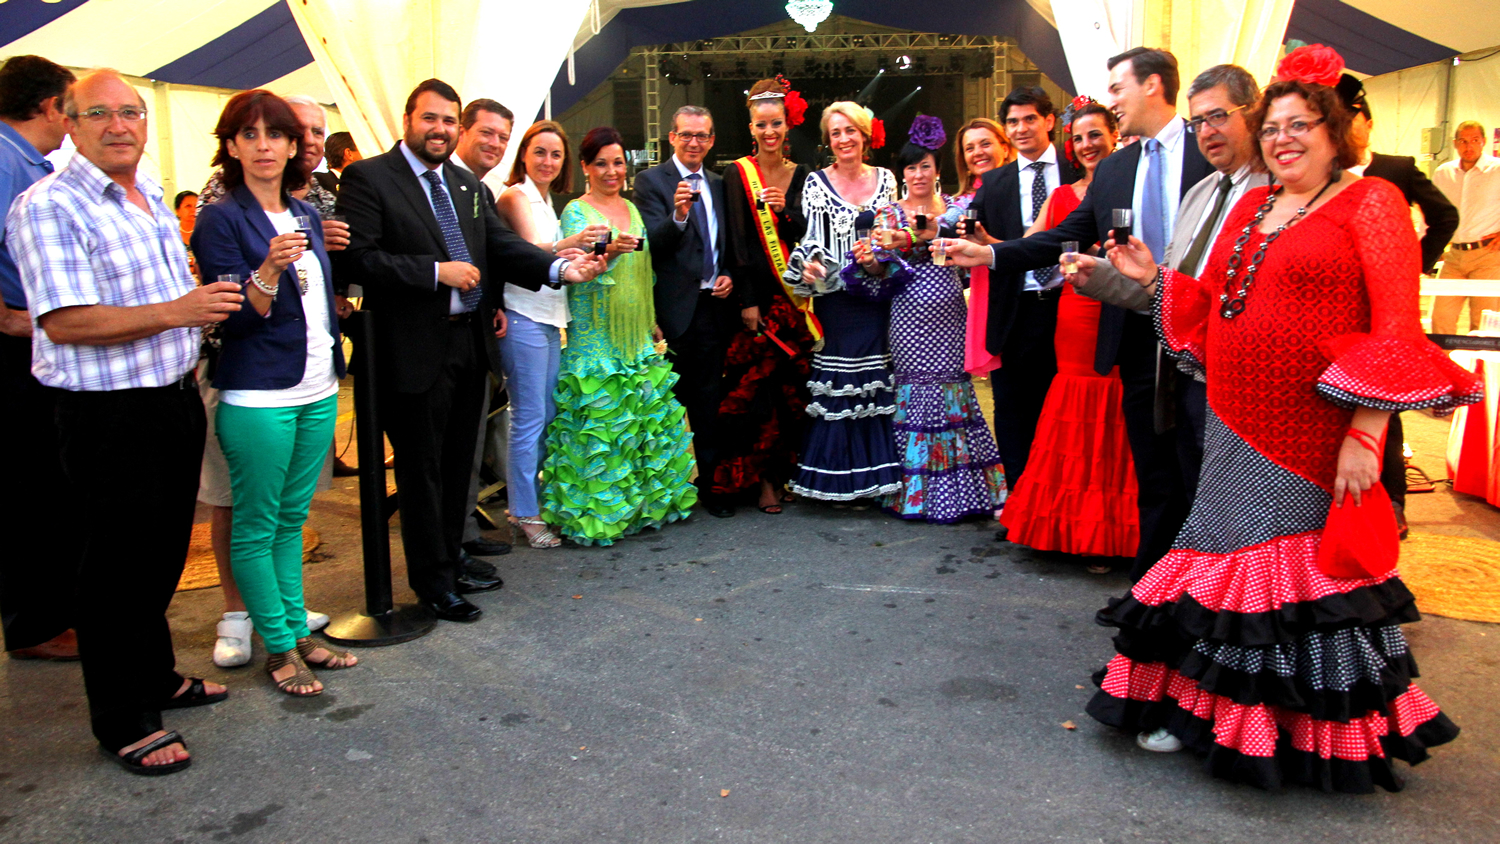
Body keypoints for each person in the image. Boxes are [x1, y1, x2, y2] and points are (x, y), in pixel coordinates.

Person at [1085, 60, 1479, 792]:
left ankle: (1299, 733)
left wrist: (1366, 434)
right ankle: (1208, 714)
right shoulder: (1250, 203)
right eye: (1272, 128)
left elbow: (1395, 329)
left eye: (1300, 125)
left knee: (1291, 584)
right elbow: (1212, 305)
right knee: (1218, 568)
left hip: (1309, 431)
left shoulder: (1372, 203)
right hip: (1232, 416)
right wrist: (1153, 279)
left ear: (1335, 133)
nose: (1283, 138)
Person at [9, 69, 242, 774]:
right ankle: (122, 717)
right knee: (115, 566)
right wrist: (181, 311)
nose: (119, 125)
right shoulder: (47, 205)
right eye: (100, 113)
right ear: (69, 121)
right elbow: (66, 321)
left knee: (162, 554)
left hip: (170, 396)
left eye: (131, 113)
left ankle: (156, 676)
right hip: (108, 411)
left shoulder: (143, 198)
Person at [335, 79, 603, 623]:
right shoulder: (369, 179)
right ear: (408, 119)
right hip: (411, 352)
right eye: (429, 118)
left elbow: (501, 251)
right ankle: (432, 583)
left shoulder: (467, 186)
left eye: (448, 120)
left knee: (460, 467)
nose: (439, 129)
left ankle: (452, 561)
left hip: (470, 345)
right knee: (423, 470)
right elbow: (357, 260)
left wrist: (558, 269)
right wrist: (436, 274)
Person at [945, 48, 1215, 582]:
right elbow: (1060, 237)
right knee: (1153, 469)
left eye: (1118, 88)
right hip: (1135, 332)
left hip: (1204, 333)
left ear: (1155, 85)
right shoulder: (1117, 168)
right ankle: (1151, 591)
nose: (1111, 101)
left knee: (1200, 465)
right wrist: (995, 253)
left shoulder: (1209, 155)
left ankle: (1202, 587)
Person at [191, 90, 358, 697]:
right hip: (257, 394)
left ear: (294, 146)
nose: (265, 146)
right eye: (250, 135)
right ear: (232, 146)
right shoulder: (221, 218)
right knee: (257, 526)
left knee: (292, 520)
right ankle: (281, 650)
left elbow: (320, 300)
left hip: (317, 385)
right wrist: (266, 271)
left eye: (276, 135)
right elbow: (231, 316)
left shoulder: (306, 213)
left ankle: (296, 631)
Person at [1068, 65, 1270, 522]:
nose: (1207, 132)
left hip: (1244, 385)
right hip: (1183, 376)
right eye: (1199, 122)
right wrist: (1108, 275)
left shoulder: (1277, 193)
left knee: (1230, 508)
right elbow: (1173, 291)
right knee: (1177, 488)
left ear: (1253, 115)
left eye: (1218, 116)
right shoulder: (1202, 193)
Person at [542, 127, 698, 544]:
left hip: (635, 335)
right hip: (596, 335)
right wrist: (608, 253)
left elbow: (645, 271)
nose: (611, 171)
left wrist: (650, 321)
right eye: (601, 164)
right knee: (602, 428)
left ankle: (642, 508)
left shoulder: (631, 208)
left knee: (642, 423)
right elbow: (577, 276)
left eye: (617, 162)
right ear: (585, 168)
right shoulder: (576, 213)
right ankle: (598, 515)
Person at [998, 98, 1135, 565]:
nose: (1087, 145)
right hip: (1073, 314)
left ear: (1114, 136)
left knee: (1113, 412)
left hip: (1120, 307)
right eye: (1078, 138)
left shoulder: (1131, 186)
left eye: (1096, 134)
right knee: (1071, 408)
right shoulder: (1061, 197)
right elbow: (1033, 245)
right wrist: (985, 251)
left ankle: (1111, 531)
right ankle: (1065, 528)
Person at [862, 115, 1008, 522]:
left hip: (949, 313)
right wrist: (873, 260)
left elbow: (972, 251)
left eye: (925, 165)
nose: (918, 173)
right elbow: (876, 270)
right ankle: (914, 494)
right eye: (911, 167)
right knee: (914, 392)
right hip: (907, 316)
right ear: (902, 173)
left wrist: (936, 234)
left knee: (954, 393)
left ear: (937, 170)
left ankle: (964, 494)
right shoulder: (888, 213)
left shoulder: (958, 208)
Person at [1337, 73, 1459, 538]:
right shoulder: (1320, 175)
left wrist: (1413, 266)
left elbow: (1445, 216)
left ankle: (1393, 501)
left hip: (1384, 309)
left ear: (1367, 123)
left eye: (1353, 121)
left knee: (1383, 403)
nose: (1346, 130)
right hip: (1340, 308)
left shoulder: (1396, 167)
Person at [962, 87, 1080, 502]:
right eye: (1013, 122)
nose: (1021, 128)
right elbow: (979, 241)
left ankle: (1063, 506)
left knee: (1067, 414)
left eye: (1029, 119)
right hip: (1014, 310)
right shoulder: (993, 184)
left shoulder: (1078, 167)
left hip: (1070, 307)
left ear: (1050, 121)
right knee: (1013, 412)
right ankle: (1020, 505)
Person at [0, 55, 78, 662]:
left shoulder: (24, 162)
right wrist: (3, 317)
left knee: (44, 482)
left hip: (32, 340)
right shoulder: (5, 161)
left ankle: (47, 613)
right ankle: (37, 623)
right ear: (51, 106)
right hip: (15, 346)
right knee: (31, 485)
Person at [496, 120, 606, 548]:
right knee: (528, 419)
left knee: (543, 417)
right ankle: (523, 511)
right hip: (522, 316)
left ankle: (532, 504)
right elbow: (527, 253)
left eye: (555, 154)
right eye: (539, 152)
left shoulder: (545, 200)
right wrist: (574, 240)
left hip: (547, 318)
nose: (547, 161)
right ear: (523, 154)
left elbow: (558, 263)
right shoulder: (516, 196)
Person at [784, 101, 901, 502]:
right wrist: (812, 267)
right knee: (842, 384)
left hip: (878, 296)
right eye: (835, 133)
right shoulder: (816, 182)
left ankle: (879, 479)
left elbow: (893, 234)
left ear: (865, 135)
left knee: (877, 384)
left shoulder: (887, 179)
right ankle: (839, 479)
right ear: (827, 141)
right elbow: (812, 241)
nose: (843, 139)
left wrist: (879, 260)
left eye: (850, 130)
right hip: (838, 300)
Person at [716, 77, 815, 514]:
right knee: (760, 398)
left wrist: (785, 213)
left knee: (795, 394)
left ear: (787, 125)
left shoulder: (804, 175)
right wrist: (749, 302)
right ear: (751, 128)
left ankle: (790, 471)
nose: (769, 132)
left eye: (776, 123)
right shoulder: (737, 173)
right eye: (761, 125)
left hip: (795, 298)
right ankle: (764, 482)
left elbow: (812, 234)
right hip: (758, 302)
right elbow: (738, 241)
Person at [634, 106, 738, 517]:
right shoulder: (650, 182)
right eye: (687, 135)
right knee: (668, 406)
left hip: (714, 309)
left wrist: (727, 272)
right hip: (673, 315)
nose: (694, 142)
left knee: (710, 404)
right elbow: (649, 246)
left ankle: (710, 485)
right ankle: (668, 490)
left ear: (711, 141)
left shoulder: (718, 182)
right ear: (672, 138)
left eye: (702, 136)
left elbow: (726, 242)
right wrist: (678, 216)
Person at [450, 97, 517, 563]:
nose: (495, 144)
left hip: (477, 332)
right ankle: (448, 550)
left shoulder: (480, 190)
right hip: (434, 342)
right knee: (442, 455)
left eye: (502, 137)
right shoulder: (437, 185)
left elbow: (491, 253)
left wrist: (493, 303)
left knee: (468, 444)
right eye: (487, 133)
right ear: (462, 131)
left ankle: (465, 534)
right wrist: (558, 263)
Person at [951, 117, 1013, 378]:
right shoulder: (964, 201)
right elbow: (946, 225)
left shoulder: (1023, 190)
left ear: (1005, 148)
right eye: (970, 148)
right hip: (987, 291)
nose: (978, 153)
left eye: (985, 144)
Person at [1431, 121, 1500, 336]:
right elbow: (1432, 212)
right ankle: (1443, 368)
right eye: (1463, 141)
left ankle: (1479, 370)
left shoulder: (1497, 170)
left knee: (1484, 323)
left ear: (1484, 142)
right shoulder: (1444, 173)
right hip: (1454, 256)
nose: (1469, 146)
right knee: (1441, 318)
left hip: (1488, 256)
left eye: (1474, 141)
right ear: (1455, 144)